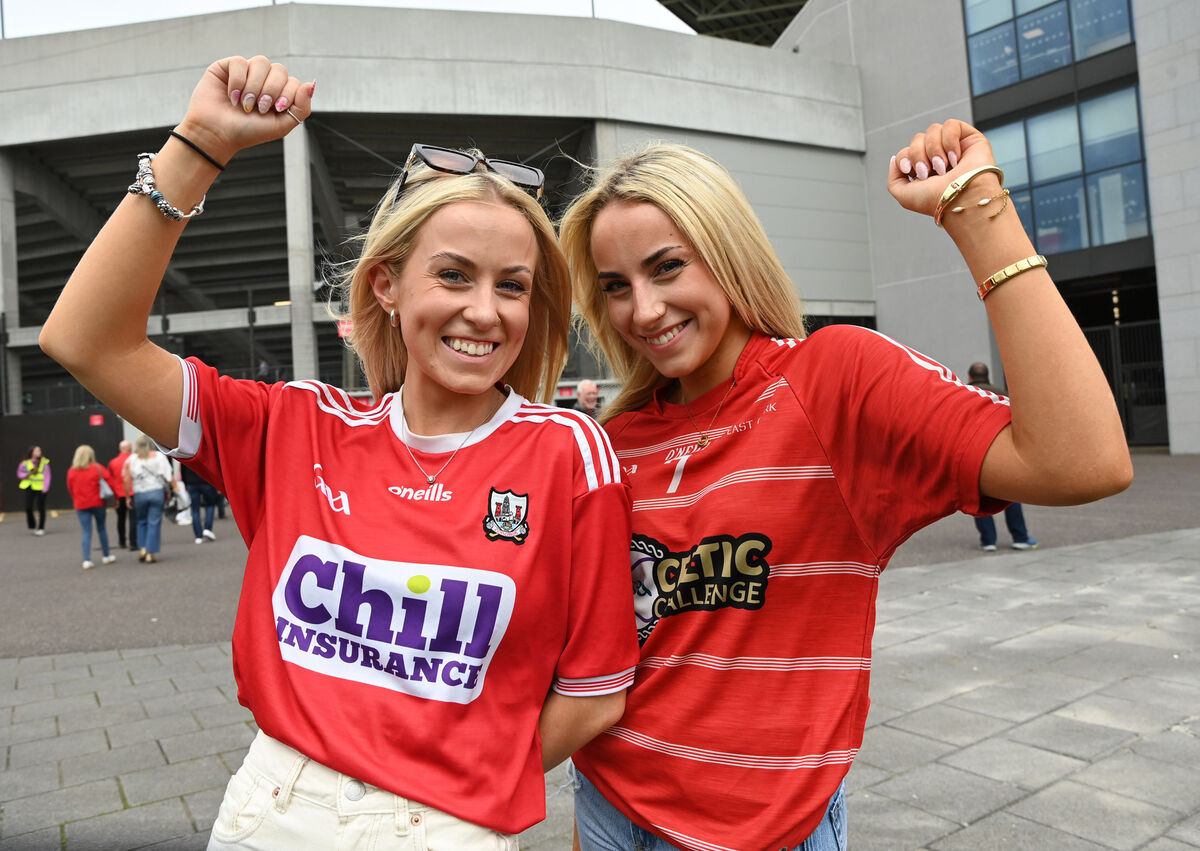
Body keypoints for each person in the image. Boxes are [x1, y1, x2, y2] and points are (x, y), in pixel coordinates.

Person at [40, 55, 637, 848]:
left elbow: (595, 692)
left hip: (452, 823)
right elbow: (83, 341)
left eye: (513, 285)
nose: (484, 311)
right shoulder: (293, 425)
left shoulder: (570, 451)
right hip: (273, 808)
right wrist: (201, 144)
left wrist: (459, 787)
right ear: (387, 285)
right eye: (453, 274)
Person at [558, 123, 1132, 851]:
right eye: (616, 287)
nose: (642, 310)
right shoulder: (618, 438)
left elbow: (1083, 459)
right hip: (608, 804)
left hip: (764, 831)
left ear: (729, 254)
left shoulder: (833, 380)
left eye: (668, 267)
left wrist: (977, 208)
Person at [966, 362, 1038, 552]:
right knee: (1011, 497)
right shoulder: (1002, 394)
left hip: (973, 455)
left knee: (978, 498)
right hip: (1002, 453)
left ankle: (988, 541)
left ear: (970, 376)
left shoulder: (964, 394)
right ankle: (1020, 537)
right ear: (987, 375)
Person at [66, 444, 119, 570]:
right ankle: (106, 556)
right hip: (98, 503)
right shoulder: (97, 468)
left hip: (81, 504)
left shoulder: (72, 471)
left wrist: (76, 500)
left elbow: (70, 488)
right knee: (101, 529)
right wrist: (115, 499)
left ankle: (86, 559)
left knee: (86, 531)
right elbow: (110, 482)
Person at [123, 435, 173, 564]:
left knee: (141, 521)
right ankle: (150, 553)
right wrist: (177, 490)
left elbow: (126, 479)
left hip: (140, 494)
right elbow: (168, 475)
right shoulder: (159, 456)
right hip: (156, 492)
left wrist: (128, 497)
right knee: (154, 522)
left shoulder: (132, 459)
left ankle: (143, 549)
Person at [108, 439, 138, 551]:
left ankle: (122, 541)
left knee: (121, 519)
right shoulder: (134, 460)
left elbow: (110, 479)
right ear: (130, 448)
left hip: (119, 494)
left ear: (120, 449)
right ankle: (133, 542)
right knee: (133, 519)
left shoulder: (113, 462)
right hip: (132, 493)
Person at [181, 462, 219, 544]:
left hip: (192, 482)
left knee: (195, 509)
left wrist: (185, 483)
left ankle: (198, 536)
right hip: (207, 481)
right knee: (210, 505)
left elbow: (182, 470)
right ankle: (207, 529)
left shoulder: (185, 451)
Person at [17, 445, 51, 535]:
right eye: (36, 451)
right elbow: (20, 474)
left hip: (41, 488)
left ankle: (41, 527)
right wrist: (28, 473)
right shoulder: (25, 463)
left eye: (39, 450)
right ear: (31, 453)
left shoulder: (44, 462)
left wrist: (45, 488)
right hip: (30, 486)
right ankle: (32, 524)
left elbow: (47, 476)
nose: (39, 452)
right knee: (28, 507)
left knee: (41, 508)